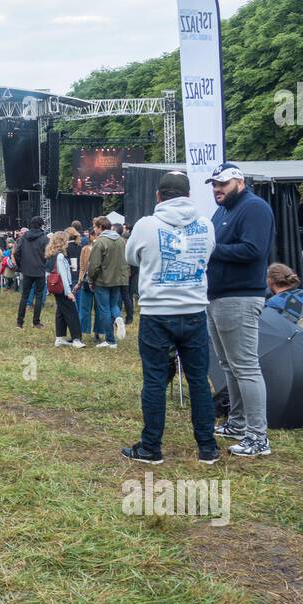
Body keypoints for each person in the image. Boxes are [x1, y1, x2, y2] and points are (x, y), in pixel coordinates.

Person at [121, 171, 219, 465]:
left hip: (157, 313)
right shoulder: (205, 225)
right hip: (194, 312)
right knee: (199, 381)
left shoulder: (146, 225)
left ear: (158, 196)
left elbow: (130, 258)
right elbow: (209, 256)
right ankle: (207, 447)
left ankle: (151, 448)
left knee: (154, 381)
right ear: (188, 195)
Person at [205, 162, 276, 458]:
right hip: (218, 296)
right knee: (228, 365)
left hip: (241, 296)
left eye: (222, 183)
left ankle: (258, 437)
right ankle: (237, 423)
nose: (217, 189)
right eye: (214, 184)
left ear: (240, 182)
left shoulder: (255, 207)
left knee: (246, 367)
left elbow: (253, 250)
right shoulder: (222, 211)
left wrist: (210, 249)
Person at [88, 217, 129, 349]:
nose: (94, 229)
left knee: (104, 309)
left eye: (95, 227)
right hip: (118, 279)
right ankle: (118, 318)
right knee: (113, 306)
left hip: (103, 280)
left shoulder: (100, 242)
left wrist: (90, 279)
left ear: (100, 227)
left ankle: (110, 340)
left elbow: (94, 265)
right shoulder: (121, 240)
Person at [44, 231, 83, 347]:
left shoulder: (51, 255)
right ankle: (76, 339)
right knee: (72, 313)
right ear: (62, 242)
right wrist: (69, 292)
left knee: (60, 312)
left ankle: (59, 338)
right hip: (63, 288)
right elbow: (63, 276)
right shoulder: (60, 256)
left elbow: (47, 273)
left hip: (55, 287)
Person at [15, 216, 49, 328]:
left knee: (24, 296)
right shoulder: (44, 238)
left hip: (27, 270)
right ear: (41, 225)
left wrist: (21, 266)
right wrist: (44, 264)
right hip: (39, 270)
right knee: (39, 296)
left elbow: (17, 252)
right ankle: (36, 322)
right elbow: (48, 254)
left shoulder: (24, 237)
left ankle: (19, 322)